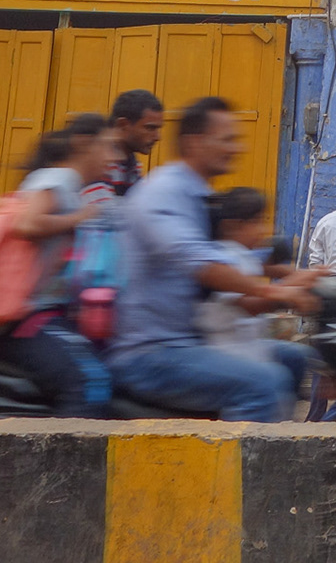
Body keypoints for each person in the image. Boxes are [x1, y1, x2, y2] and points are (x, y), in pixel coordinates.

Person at [109, 97, 321, 422]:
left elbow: (229, 256)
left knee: (293, 357)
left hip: (189, 340)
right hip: (152, 352)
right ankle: (237, 472)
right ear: (195, 143)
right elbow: (201, 262)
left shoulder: (195, 194)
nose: (236, 148)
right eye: (227, 140)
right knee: (265, 383)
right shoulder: (165, 192)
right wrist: (274, 292)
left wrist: (290, 275)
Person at [0, 121, 121, 418]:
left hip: (50, 316)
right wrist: (79, 217)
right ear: (82, 144)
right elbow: (27, 223)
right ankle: (71, 463)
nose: (114, 157)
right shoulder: (59, 178)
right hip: (29, 320)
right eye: (108, 146)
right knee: (91, 382)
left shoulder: (73, 188)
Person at [198, 187, 315, 364]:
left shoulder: (244, 253)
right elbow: (250, 306)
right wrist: (290, 289)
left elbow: (268, 267)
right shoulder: (223, 259)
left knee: (298, 355)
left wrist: (308, 274)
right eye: (257, 222)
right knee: (276, 378)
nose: (264, 229)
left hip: (248, 345)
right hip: (228, 353)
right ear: (232, 226)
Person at [103, 90, 165, 197]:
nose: (157, 137)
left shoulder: (131, 165)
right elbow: (103, 211)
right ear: (123, 125)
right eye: (150, 128)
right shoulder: (99, 162)